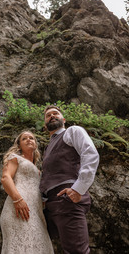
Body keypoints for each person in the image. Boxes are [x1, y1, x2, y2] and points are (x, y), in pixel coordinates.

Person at [40, 105, 99, 254]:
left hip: (67, 199)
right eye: (48, 115)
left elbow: (90, 154)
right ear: (45, 125)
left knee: (76, 251)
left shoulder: (73, 131)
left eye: (56, 113)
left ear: (63, 119)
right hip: (50, 205)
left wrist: (78, 188)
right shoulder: (47, 148)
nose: (52, 116)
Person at [0, 130, 54, 254]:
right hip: (18, 208)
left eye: (31, 138)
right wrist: (17, 199)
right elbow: (6, 178)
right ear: (19, 145)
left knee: (40, 247)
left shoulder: (38, 169)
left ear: (35, 144)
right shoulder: (15, 158)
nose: (29, 140)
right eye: (24, 138)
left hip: (36, 212)